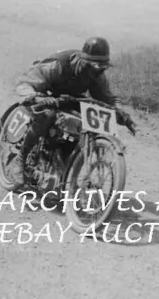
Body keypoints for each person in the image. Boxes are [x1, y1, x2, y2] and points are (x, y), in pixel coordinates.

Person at [8, 37, 134, 189]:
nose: (98, 71)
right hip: (45, 93)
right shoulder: (59, 65)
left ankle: (63, 171)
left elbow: (108, 99)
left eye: (103, 67)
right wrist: (36, 96)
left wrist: (121, 114)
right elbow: (28, 81)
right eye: (95, 66)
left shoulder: (97, 76)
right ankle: (20, 160)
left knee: (80, 126)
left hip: (69, 99)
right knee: (47, 115)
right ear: (84, 61)